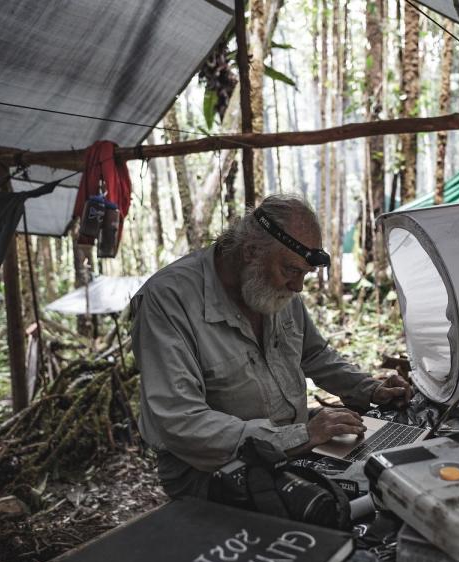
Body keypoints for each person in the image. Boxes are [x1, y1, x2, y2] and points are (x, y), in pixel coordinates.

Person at [130, 194, 411, 498]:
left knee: (386, 482)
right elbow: (181, 420)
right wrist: (300, 436)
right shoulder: (169, 300)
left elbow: (314, 353)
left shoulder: (272, 287)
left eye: (304, 274)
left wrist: (369, 388)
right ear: (250, 252)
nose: (298, 287)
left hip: (291, 448)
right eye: (291, 271)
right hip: (212, 474)